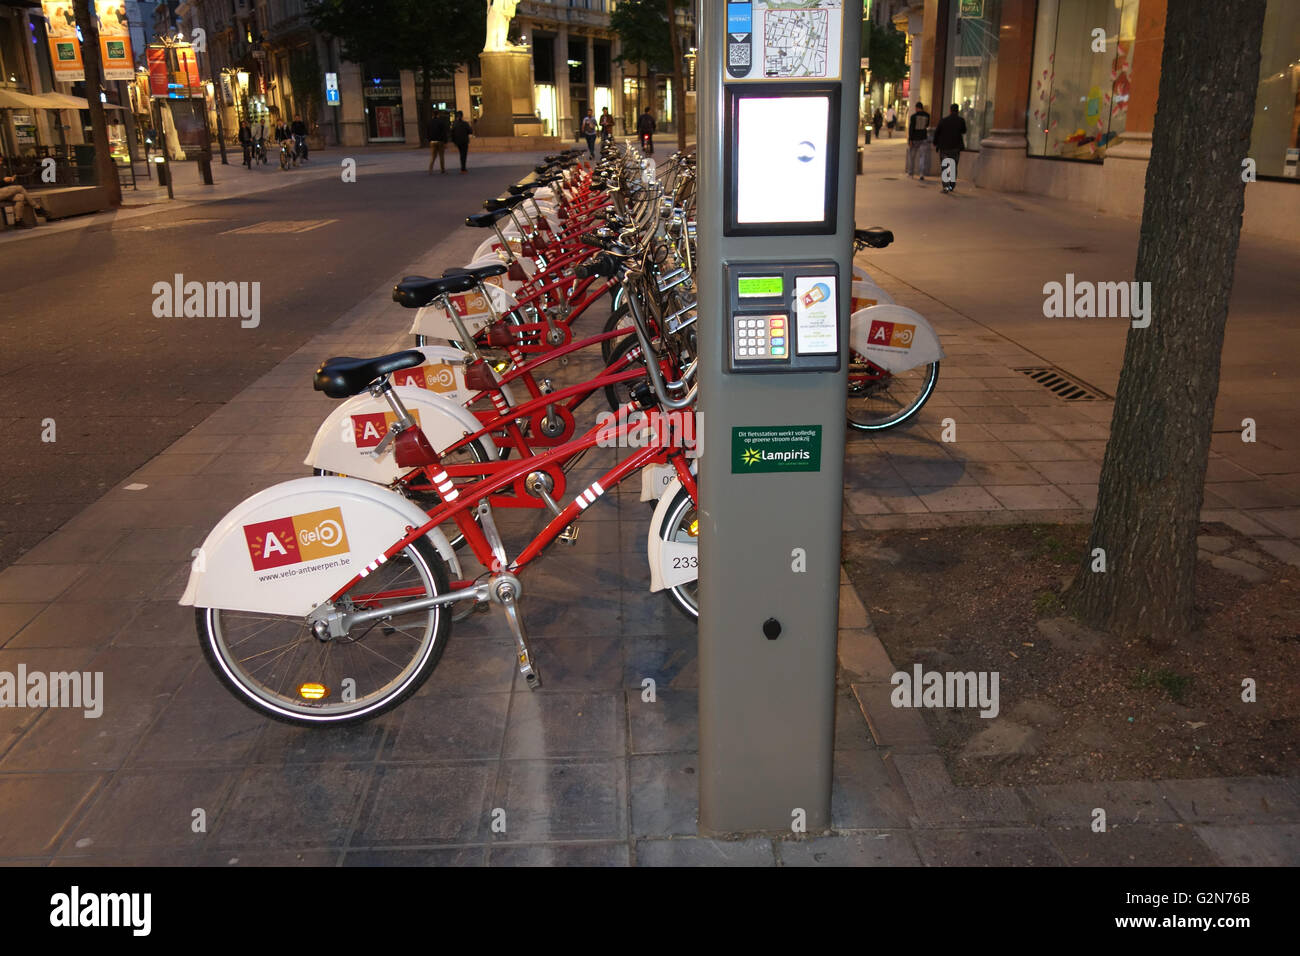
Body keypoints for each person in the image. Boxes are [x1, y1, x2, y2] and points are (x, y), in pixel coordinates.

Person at [932, 103, 967, 194]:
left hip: (944, 148)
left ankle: (945, 187)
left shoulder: (943, 121)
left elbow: (937, 133)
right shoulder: (961, 120)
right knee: (953, 166)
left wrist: (935, 143)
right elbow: (964, 131)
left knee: (945, 167)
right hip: (955, 148)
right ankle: (952, 185)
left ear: (950, 110)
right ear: (958, 111)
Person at [906, 101, 931, 180]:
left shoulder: (913, 117)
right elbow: (927, 125)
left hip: (915, 138)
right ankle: (921, 174)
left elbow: (911, 128)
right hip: (923, 137)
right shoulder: (927, 115)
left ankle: (911, 172)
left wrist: (910, 139)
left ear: (916, 108)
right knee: (922, 156)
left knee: (912, 156)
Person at [428, 109, 450, 174]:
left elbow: (428, 132)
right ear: (438, 114)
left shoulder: (430, 122)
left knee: (433, 156)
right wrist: (445, 141)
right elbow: (444, 132)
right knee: (441, 156)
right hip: (440, 141)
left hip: (432, 141)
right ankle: (442, 169)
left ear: (432, 115)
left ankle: (430, 169)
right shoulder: (441, 122)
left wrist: (429, 140)